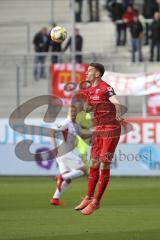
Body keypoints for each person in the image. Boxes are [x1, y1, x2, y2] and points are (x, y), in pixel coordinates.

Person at [74, 63, 122, 215]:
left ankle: (96, 202)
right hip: (98, 130)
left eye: (90, 70)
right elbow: (89, 108)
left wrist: (118, 113)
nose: (86, 72)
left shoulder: (105, 87)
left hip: (110, 130)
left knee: (104, 165)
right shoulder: (90, 90)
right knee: (93, 162)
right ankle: (88, 197)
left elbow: (115, 101)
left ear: (97, 74)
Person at [50, 105, 90, 206]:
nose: (73, 113)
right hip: (64, 152)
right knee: (85, 170)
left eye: (74, 112)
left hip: (63, 154)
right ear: (68, 113)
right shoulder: (66, 123)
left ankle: (55, 198)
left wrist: (95, 133)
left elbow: (83, 135)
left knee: (68, 179)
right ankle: (62, 177)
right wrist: (53, 146)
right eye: (71, 112)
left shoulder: (75, 124)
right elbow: (52, 131)